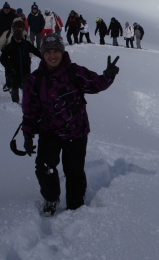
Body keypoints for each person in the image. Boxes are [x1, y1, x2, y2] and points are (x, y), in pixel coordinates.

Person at [21, 34, 120, 216]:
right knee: (44, 168)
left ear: (62, 51)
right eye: (48, 52)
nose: (53, 56)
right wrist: (27, 135)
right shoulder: (35, 80)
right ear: (42, 54)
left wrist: (107, 76)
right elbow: (30, 110)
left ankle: (75, 205)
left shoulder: (74, 72)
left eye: (56, 51)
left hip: (76, 131)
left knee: (74, 171)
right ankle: (51, 198)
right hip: (49, 132)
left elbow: (94, 84)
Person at [0, 23, 42, 103]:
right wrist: (8, 66)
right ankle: (15, 102)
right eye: (17, 39)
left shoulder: (26, 44)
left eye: (20, 39)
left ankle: (26, 102)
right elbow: (2, 59)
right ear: (14, 37)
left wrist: (43, 57)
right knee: (15, 88)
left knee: (26, 88)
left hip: (25, 70)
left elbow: (35, 51)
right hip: (14, 72)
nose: (19, 40)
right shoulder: (10, 46)